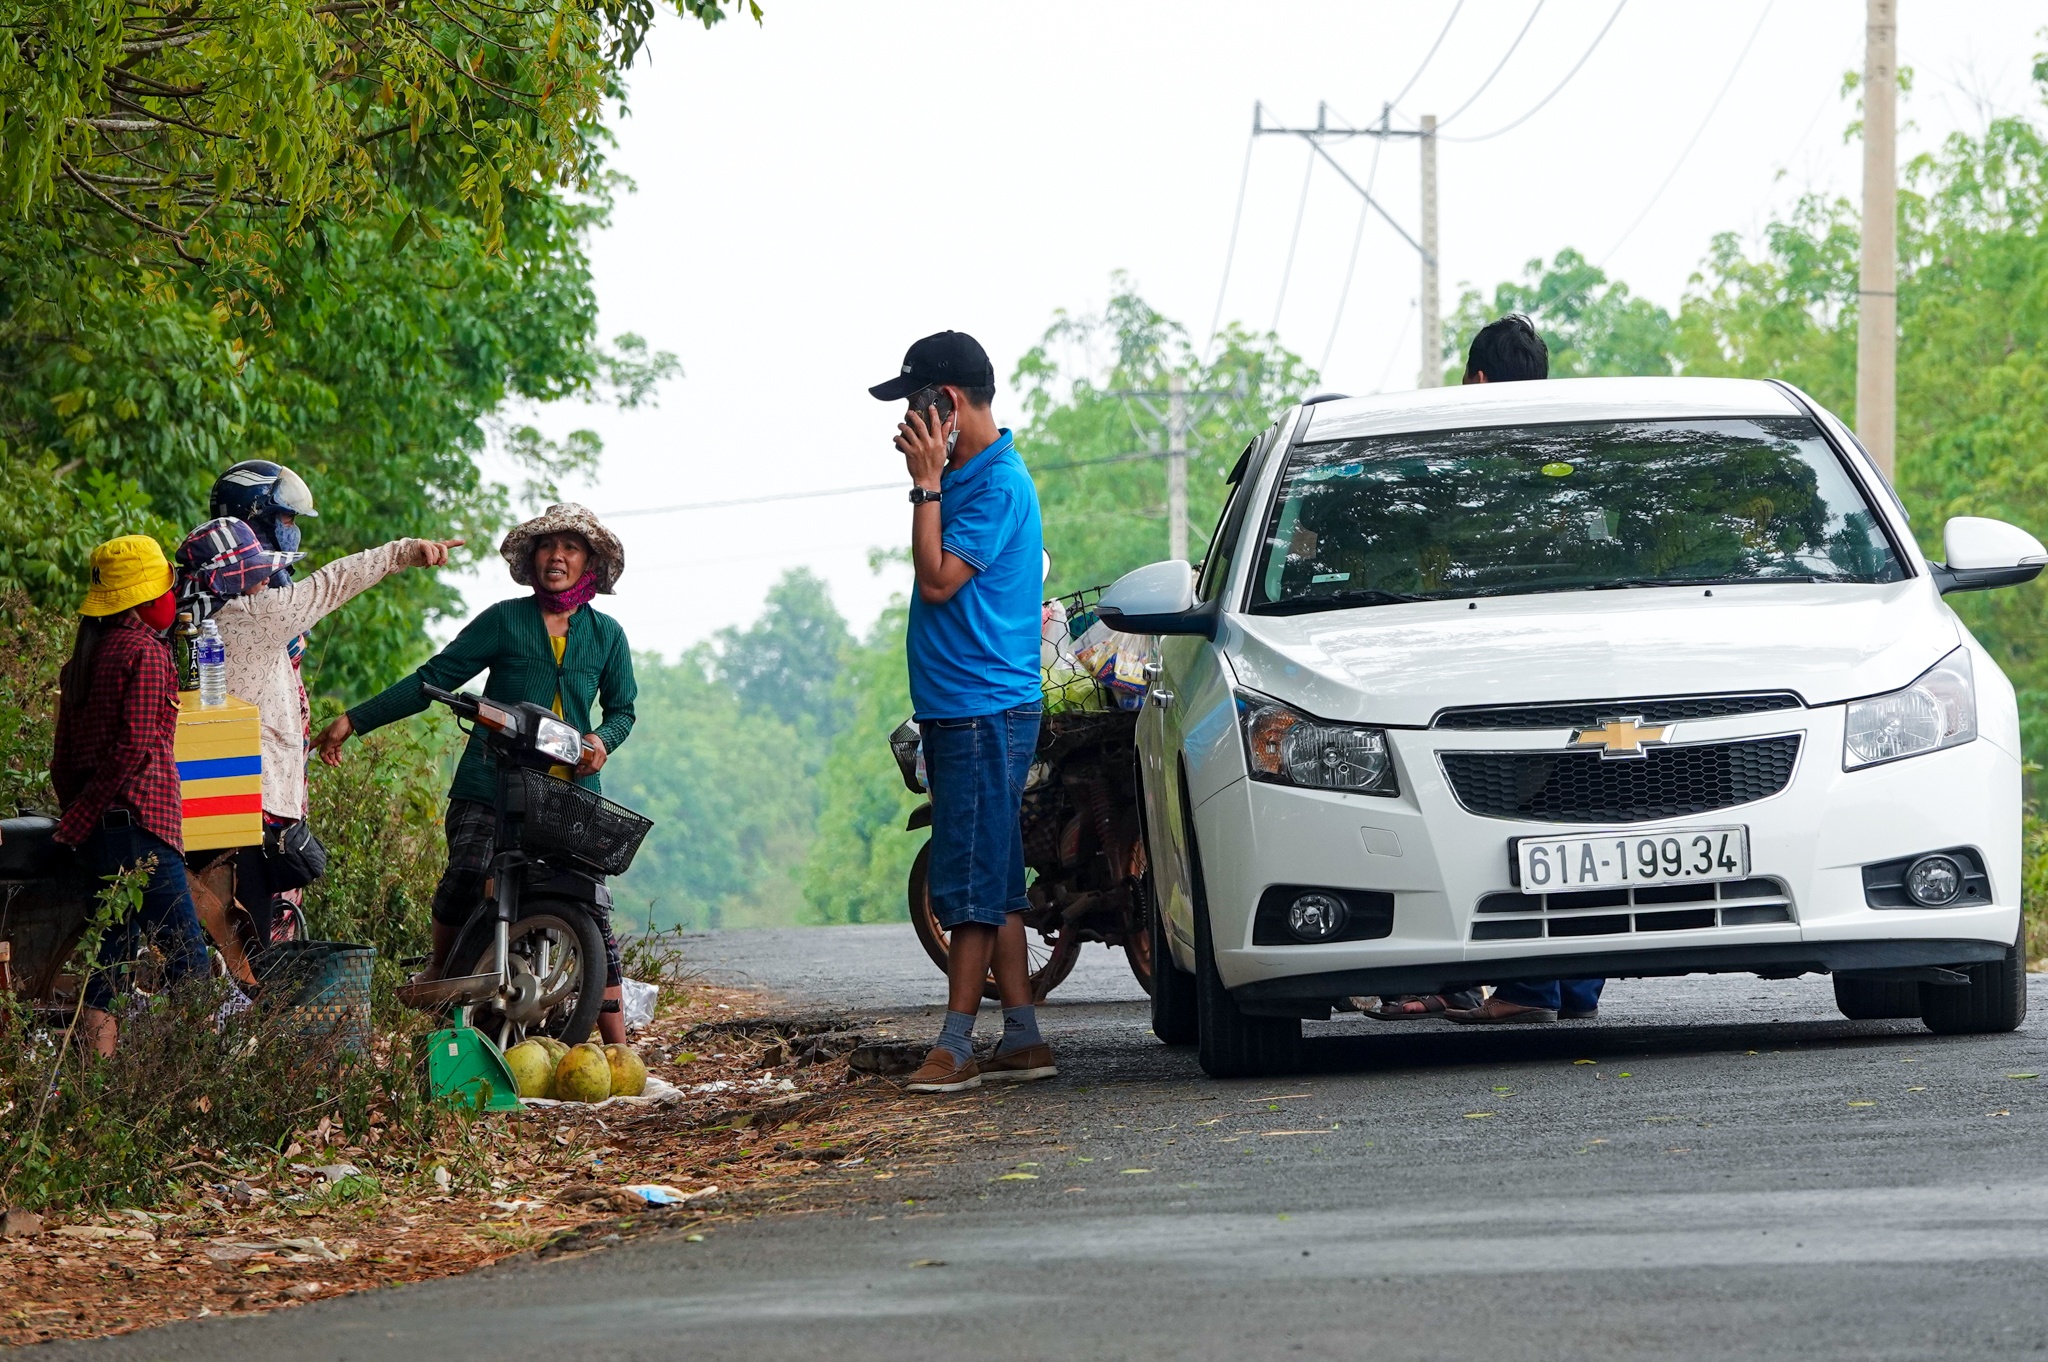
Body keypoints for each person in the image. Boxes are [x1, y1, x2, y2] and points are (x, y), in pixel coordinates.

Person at [313, 505, 636, 1044]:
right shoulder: (504, 620)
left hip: (570, 796)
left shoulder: (607, 635)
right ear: (532, 559)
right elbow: (433, 678)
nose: (557, 556)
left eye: (571, 548)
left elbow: (623, 709)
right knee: (467, 871)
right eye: (547, 546)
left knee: (591, 908)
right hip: (492, 782)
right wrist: (354, 719)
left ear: (590, 564)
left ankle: (621, 1051)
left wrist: (602, 740)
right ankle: (441, 971)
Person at [871, 331, 1052, 1093]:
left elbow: (940, 579)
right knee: (996, 873)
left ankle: (955, 1044)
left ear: (945, 402)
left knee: (970, 881)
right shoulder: (969, 474)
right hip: (961, 708)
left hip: (983, 709)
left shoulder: (998, 483)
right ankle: (1022, 1036)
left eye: (917, 403)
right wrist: (936, 478)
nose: (908, 420)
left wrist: (925, 483)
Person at [175, 517, 460, 948]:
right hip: (252, 801)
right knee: (247, 935)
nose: (263, 580)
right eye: (254, 572)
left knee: (198, 927)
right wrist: (404, 551)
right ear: (235, 578)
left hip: (194, 797)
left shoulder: (180, 620)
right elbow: (333, 582)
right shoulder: (255, 614)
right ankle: (237, 1010)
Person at [1442, 314, 1604, 1026]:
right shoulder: (1577, 446)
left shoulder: (1475, 460)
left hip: (1508, 674)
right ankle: (1574, 989)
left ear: (1477, 379)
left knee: (1516, 824)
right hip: (1595, 665)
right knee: (1586, 822)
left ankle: (1529, 990)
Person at [50, 536, 212, 1056]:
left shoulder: (83, 659)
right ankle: (199, 1083)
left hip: (102, 835)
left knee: (112, 957)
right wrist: (90, 814)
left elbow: (63, 761)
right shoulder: (146, 653)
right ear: (143, 600)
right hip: (139, 830)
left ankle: (99, 1080)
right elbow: (135, 748)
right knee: (190, 958)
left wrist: (79, 817)